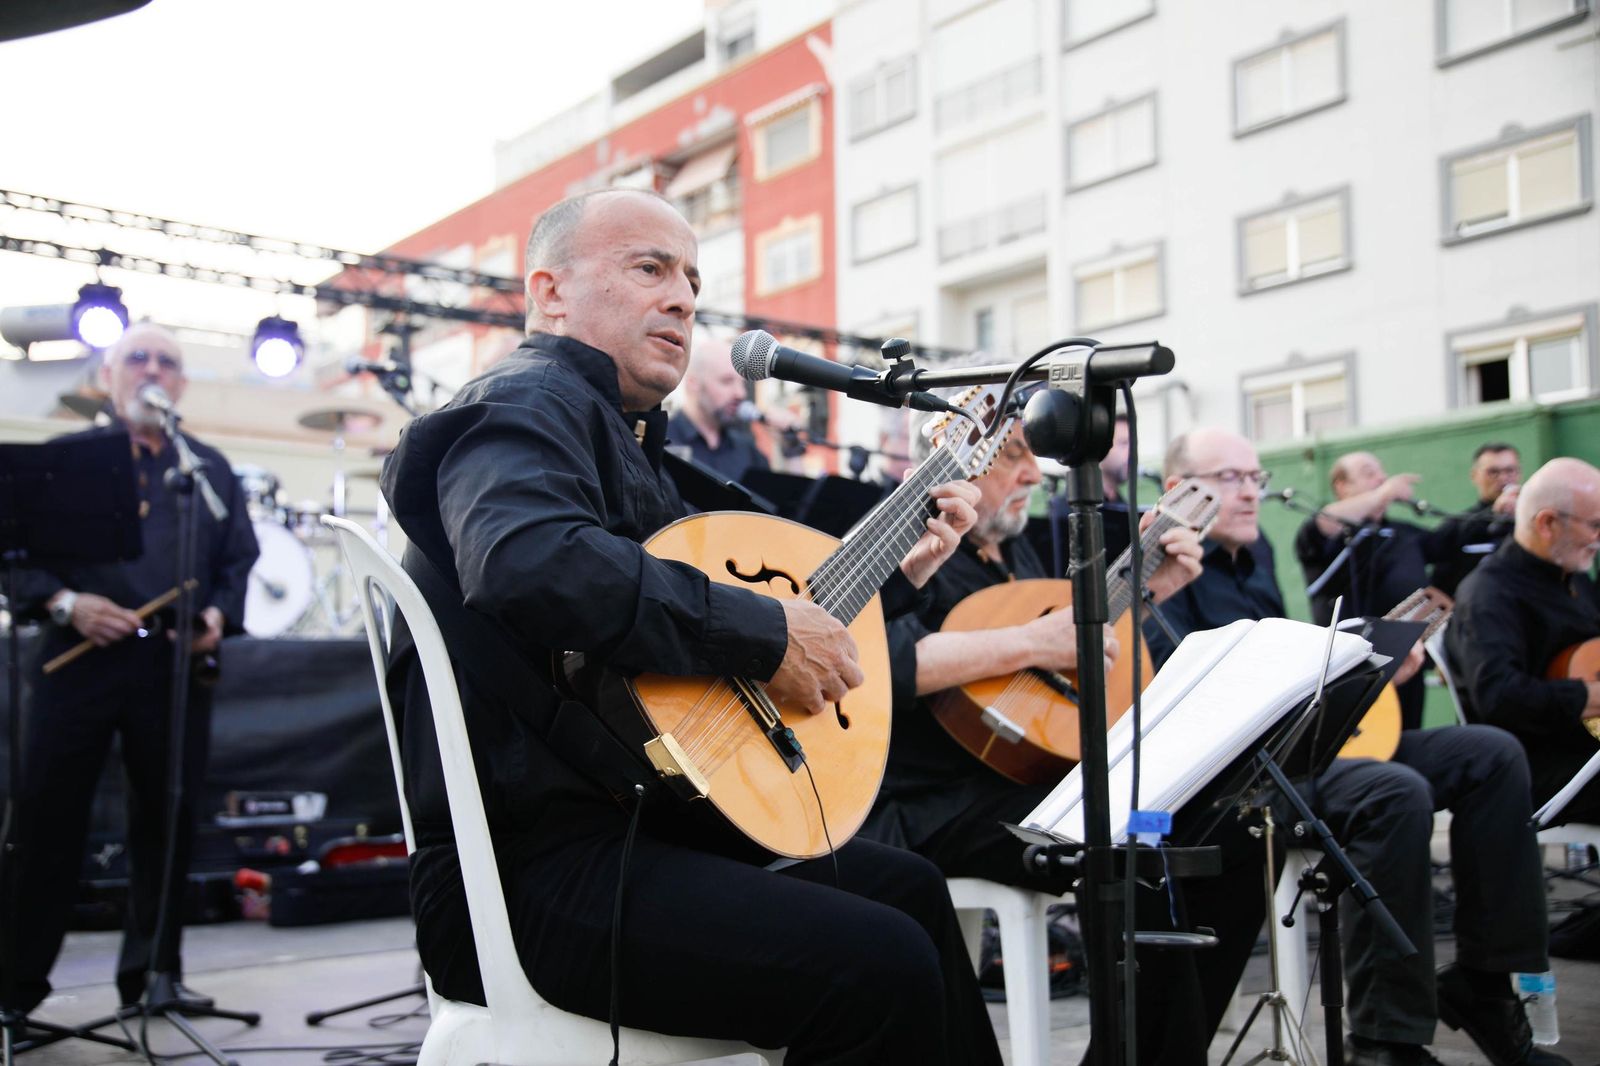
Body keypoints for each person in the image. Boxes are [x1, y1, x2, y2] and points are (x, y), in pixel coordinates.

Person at [378, 187, 1003, 1064]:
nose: (682, 297)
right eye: (649, 268)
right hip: (530, 879)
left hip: (638, 836)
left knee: (910, 894)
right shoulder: (523, 402)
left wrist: (889, 583)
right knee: (878, 963)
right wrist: (765, 633)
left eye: (693, 281)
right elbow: (529, 562)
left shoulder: (625, 441)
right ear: (550, 293)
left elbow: (711, 627)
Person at [861, 417, 1286, 1065]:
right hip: (930, 801)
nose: (1034, 474)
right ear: (949, 465)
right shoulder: (904, 544)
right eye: (1012, 458)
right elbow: (880, 662)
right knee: (1131, 847)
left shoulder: (1017, 550)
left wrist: (1146, 595)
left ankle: (1156, 1051)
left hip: (1027, 783)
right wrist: (1035, 640)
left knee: (1235, 830)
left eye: (1035, 458)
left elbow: (1053, 672)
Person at [1148, 428, 1562, 1066]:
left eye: (1256, 477)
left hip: (1302, 750)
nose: (1253, 492)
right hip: (1234, 780)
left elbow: (1290, 682)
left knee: (1490, 755)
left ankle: (1487, 981)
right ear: (1177, 491)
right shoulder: (1157, 572)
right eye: (1231, 478)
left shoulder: (1255, 562)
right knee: (1394, 791)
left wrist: (1365, 664)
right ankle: (1384, 1041)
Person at [0, 323, 258, 1015]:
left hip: (169, 668)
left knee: (167, 822)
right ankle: (15, 992)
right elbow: (16, 558)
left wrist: (216, 618)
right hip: (73, 663)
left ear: (181, 383)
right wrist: (67, 602)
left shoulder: (207, 470)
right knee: (47, 822)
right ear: (107, 378)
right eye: (136, 358)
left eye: (167, 362)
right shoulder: (67, 457)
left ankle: (153, 980)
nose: (152, 370)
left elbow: (236, 560)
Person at [1445, 457, 1600, 825]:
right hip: (1531, 768)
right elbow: (1498, 696)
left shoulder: (1573, 576)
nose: (1598, 539)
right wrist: (1585, 696)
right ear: (1547, 523)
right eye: (1594, 526)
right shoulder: (1489, 593)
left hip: (1582, 748)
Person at [1292, 451, 1448, 730]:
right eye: (1368, 473)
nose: (1381, 478)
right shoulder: (1326, 535)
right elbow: (1321, 524)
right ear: (1342, 486)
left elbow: (1452, 545)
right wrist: (1385, 494)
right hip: (1351, 673)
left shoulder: (1402, 533)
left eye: (1382, 472)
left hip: (1407, 661)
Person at [665, 332, 773, 481]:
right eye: (727, 381)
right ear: (693, 383)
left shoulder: (747, 450)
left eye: (742, 383)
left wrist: (791, 450)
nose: (740, 393)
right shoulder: (662, 441)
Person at [1428, 442, 1521, 597]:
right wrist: (1495, 511)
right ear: (1475, 476)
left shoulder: (1532, 521)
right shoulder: (1459, 524)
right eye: (1493, 472)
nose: (1504, 478)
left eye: (1510, 471)